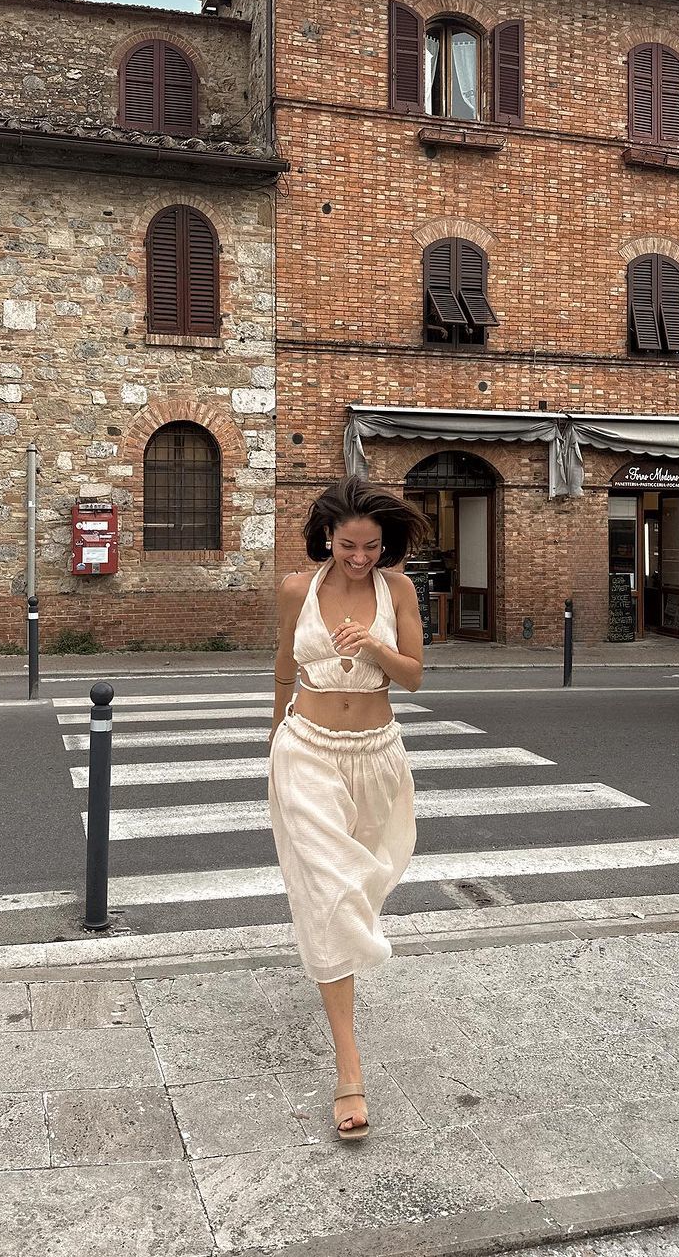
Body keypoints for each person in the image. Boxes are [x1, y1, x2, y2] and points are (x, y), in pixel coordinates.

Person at [268, 475, 428, 1141]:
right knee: (330, 894)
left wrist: (374, 646)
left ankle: (334, 964)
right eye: (347, 546)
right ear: (326, 538)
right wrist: (271, 742)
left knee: (358, 892)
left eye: (370, 547)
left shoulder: (398, 591)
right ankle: (349, 1069)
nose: (359, 558)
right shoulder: (296, 590)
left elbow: (414, 675)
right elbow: (284, 668)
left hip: (376, 755)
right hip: (306, 748)